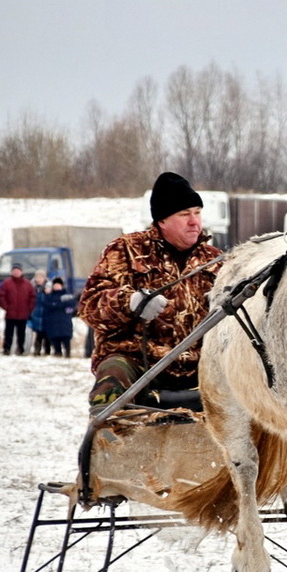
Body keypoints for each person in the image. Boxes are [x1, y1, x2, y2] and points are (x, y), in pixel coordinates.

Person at [79, 172, 224, 411]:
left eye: (197, 212)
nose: (194, 221)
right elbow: (90, 307)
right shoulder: (125, 250)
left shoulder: (216, 260)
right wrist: (130, 302)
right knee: (111, 381)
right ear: (162, 220)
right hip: (138, 361)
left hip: (202, 365)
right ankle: (106, 444)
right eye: (184, 214)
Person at [0, 263, 36, 355]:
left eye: (18, 270)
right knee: (8, 333)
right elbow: (1, 296)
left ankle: (20, 349)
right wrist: (6, 307)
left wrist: (29, 308)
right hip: (10, 314)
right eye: (14, 271)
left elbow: (33, 297)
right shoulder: (7, 283)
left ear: (21, 272)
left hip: (23, 314)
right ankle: (6, 349)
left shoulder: (27, 283)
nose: (16, 272)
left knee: (21, 334)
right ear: (11, 272)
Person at [42, 277, 75, 357]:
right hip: (53, 323)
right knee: (55, 341)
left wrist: (57, 305)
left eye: (58, 285)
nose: (57, 287)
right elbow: (47, 306)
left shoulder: (67, 295)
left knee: (66, 339)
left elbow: (71, 307)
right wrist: (60, 305)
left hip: (64, 322)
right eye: (55, 285)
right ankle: (58, 354)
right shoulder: (49, 296)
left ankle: (67, 354)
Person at [28, 268, 50, 355]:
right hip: (36, 314)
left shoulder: (48, 288)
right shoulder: (32, 288)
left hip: (46, 314)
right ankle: (37, 351)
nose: (39, 279)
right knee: (38, 334)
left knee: (47, 335)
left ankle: (47, 351)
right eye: (37, 277)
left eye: (41, 277)